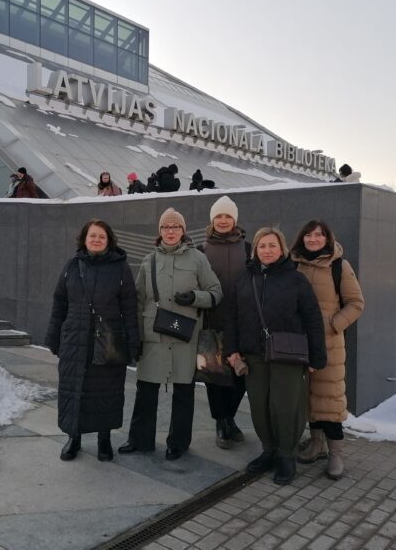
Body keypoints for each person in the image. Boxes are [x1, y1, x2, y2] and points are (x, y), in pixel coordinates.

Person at [224, 227, 326, 485]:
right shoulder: (245, 278)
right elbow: (232, 317)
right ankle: (268, 450)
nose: (267, 250)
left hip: (287, 356)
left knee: (286, 407)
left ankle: (287, 455)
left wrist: (316, 358)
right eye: (262, 246)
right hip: (254, 356)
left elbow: (312, 319)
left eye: (272, 245)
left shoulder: (296, 279)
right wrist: (232, 349)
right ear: (255, 250)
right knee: (260, 407)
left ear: (282, 249)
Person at [119, 208, 222, 460]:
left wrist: (195, 298)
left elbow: (216, 292)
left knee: (183, 393)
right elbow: (139, 300)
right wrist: (137, 338)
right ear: (160, 231)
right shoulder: (148, 261)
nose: (171, 231)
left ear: (183, 231)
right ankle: (139, 439)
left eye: (176, 227)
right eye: (166, 227)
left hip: (184, 337)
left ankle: (178, 443)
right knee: (146, 391)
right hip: (153, 336)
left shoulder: (198, 259)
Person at [45, 219, 140, 462]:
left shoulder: (121, 268)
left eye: (101, 236)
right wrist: (54, 336)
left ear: (109, 241)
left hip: (107, 338)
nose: (96, 240)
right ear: (84, 239)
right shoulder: (72, 266)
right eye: (92, 236)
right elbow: (59, 303)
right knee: (74, 390)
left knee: (106, 392)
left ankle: (104, 439)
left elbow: (130, 307)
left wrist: (133, 342)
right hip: (75, 338)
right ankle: (73, 438)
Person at [290, 220, 365, 480]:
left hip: (329, 344)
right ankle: (316, 443)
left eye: (318, 235)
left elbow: (356, 303)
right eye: (308, 235)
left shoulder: (338, 266)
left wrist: (334, 325)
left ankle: (335, 453)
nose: (313, 239)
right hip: (299, 342)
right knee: (310, 397)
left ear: (327, 239)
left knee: (329, 399)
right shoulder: (294, 264)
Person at [199, 196, 250, 449]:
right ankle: (222, 422)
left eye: (227, 216)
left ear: (235, 220)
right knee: (215, 377)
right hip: (212, 324)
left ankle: (229, 416)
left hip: (242, 326)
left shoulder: (249, 248)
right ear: (212, 220)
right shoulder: (201, 250)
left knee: (240, 376)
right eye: (218, 216)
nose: (222, 220)